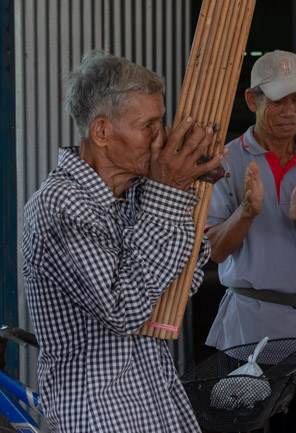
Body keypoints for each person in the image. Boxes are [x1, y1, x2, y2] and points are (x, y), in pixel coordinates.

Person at [22, 51, 226, 433]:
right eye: (148, 125)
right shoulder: (59, 203)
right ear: (101, 132)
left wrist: (185, 191)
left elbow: (184, 282)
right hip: (98, 417)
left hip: (155, 406)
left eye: (161, 122)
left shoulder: (133, 194)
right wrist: (168, 193)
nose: (161, 138)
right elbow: (124, 309)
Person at [205, 50, 296, 433]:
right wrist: (247, 212)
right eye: (279, 100)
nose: (290, 111)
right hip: (245, 331)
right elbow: (215, 249)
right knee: (243, 428)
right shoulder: (226, 160)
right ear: (253, 100)